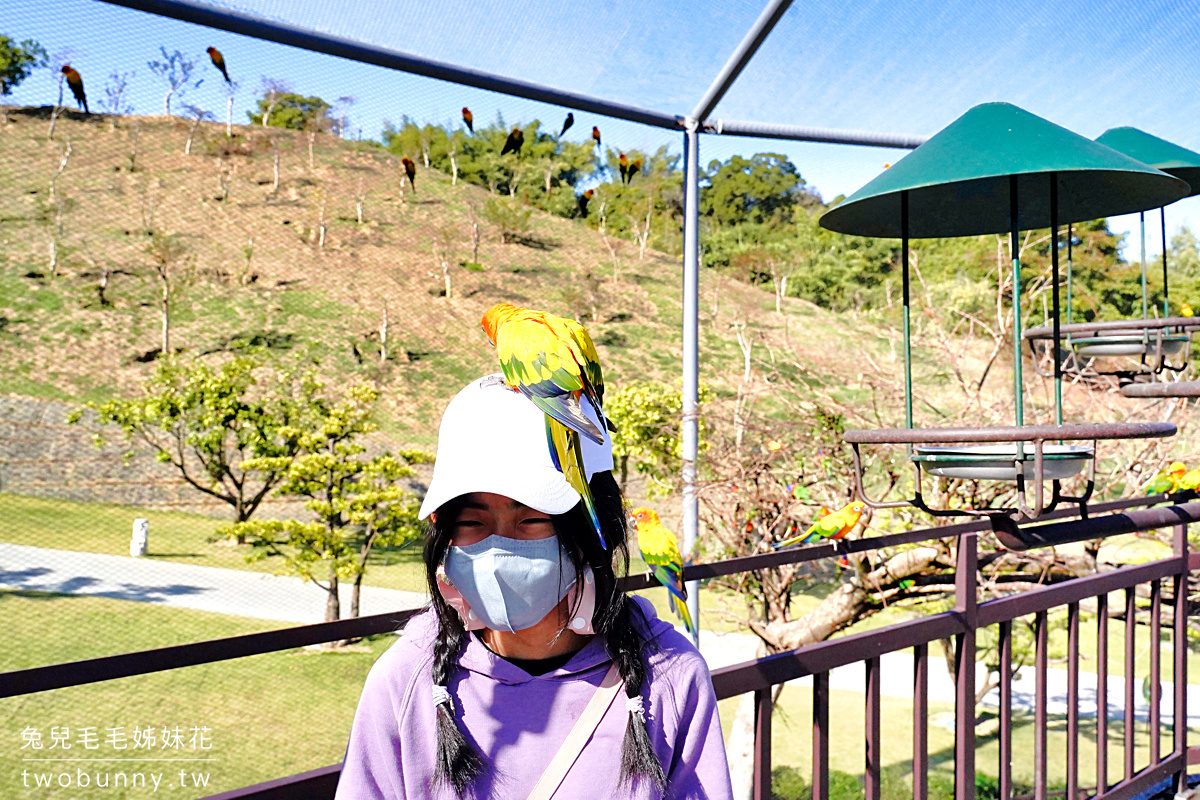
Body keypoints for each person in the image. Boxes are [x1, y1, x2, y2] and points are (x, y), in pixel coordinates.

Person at [336, 374, 732, 799]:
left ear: (592, 531)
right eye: (471, 522)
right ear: (443, 533)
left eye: (531, 520)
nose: (498, 548)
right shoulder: (402, 681)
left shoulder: (671, 679)